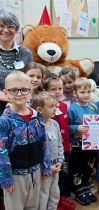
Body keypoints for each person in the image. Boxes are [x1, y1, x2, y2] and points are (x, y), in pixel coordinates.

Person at [0, 71, 51, 210]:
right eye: (14, 90)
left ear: (30, 91)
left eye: (23, 89)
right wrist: (5, 178)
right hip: (15, 175)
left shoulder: (37, 117)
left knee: (33, 206)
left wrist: (45, 167)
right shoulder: (5, 121)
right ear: (6, 93)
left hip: (35, 171)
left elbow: (43, 143)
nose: (19, 94)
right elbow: (1, 151)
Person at [43, 75, 75, 210]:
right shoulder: (46, 108)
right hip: (51, 151)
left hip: (65, 148)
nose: (57, 92)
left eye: (60, 89)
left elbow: (66, 126)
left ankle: (61, 199)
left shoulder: (63, 105)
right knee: (51, 178)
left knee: (63, 174)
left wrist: (70, 143)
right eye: (53, 89)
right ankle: (51, 204)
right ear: (45, 90)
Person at [68, 77, 99, 206]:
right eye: (82, 92)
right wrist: (76, 128)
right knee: (78, 169)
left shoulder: (94, 107)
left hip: (92, 144)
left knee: (88, 167)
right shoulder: (72, 109)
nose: (86, 95)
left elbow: (98, 122)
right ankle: (79, 191)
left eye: (88, 91)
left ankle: (87, 189)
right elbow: (67, 127)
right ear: (75, 93)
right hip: (78, 145)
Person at [31, 91, 64, 210]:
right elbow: (35, 152)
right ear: (40, 109)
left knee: (55, 194)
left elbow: (59, 143)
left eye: (56, 105)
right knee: (43, 195)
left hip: (56, 166)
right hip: (44, 170)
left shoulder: (55, 124)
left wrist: (60, 160)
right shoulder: (35, 127)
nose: (55, 109)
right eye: (51, 106)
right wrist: (47, 167)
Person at [0, 9, 33, 113]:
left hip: (21, 104)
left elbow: (31, 78)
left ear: (16, 29)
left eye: (10, 26)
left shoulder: (26, 53)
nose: (6, 30)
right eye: (1, 26)